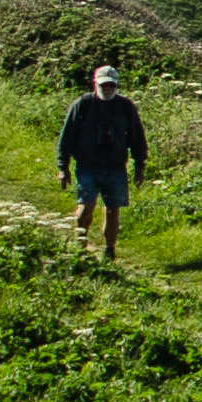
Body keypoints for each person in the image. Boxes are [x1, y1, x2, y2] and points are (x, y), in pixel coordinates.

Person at [57, 63, 151, 257]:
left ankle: (109, 250)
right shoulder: (82, 105)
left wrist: (140, 166)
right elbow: (66, 138)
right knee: (86, 206)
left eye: (111, 86)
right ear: (95, 84)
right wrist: (62, 167)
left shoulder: (126, 107)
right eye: (103, 85)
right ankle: (80, 245)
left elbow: (137, 137)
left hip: (116, 168)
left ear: (116, 86)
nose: (107, 89)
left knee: (112, 211)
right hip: (87, 166)